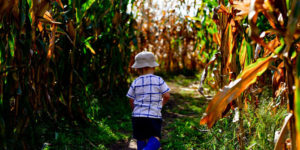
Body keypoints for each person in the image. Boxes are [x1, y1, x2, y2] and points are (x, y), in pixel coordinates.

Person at [127, 51, 170, 150]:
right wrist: (161, 105)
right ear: (153, 67)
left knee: (140, 138)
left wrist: (135, 110)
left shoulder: (135, 81)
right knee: (156, 138)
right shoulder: (159, 80)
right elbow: (166, 95)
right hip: (153, 115)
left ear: (138, 69)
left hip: (137, 117)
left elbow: (130, 98)